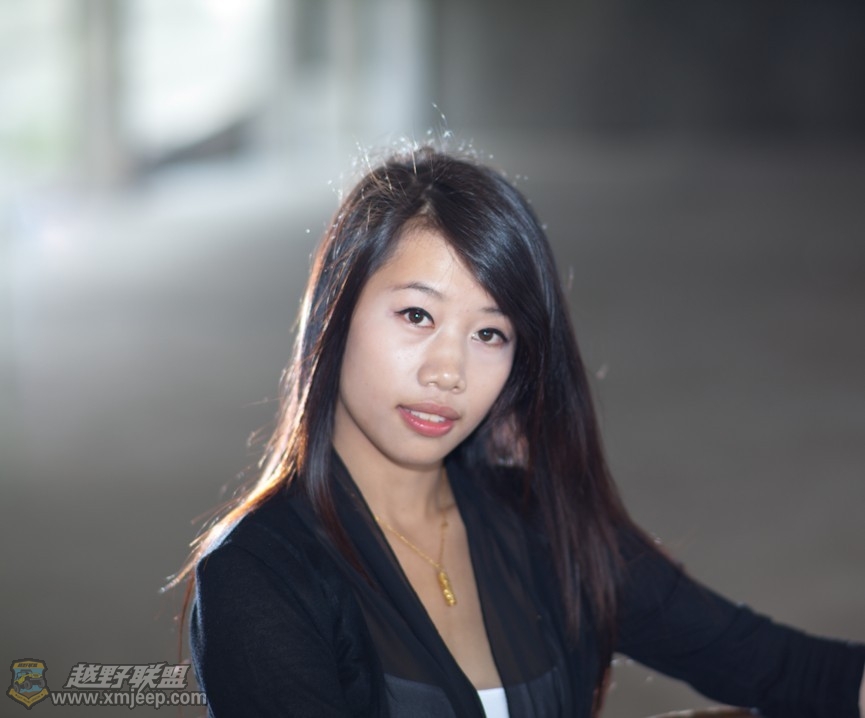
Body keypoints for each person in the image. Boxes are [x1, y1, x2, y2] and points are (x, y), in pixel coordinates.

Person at [175, 148, 865, 717]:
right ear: (336, 307)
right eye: (416, 316)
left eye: (489, 333)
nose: (448, 372)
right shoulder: (258, 572)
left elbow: (786, 671)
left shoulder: (538, 516)